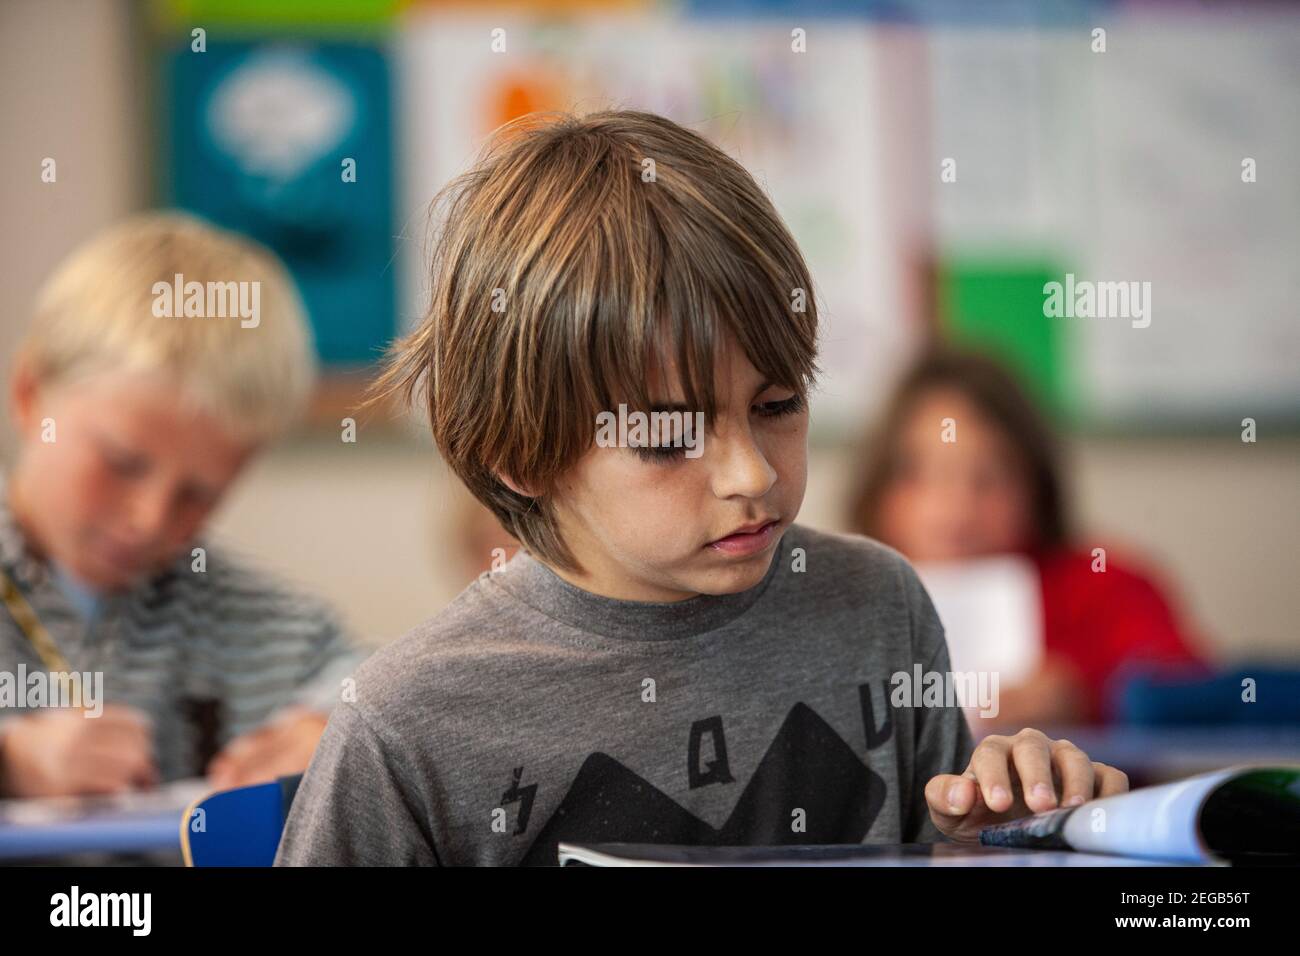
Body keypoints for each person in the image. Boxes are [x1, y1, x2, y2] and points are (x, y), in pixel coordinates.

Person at [275, 110, 1127, 866]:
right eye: (670, 436)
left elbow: (943, 847)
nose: (752, 473)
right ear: (523, 454)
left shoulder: (879, 607)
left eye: (778, 404)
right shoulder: (409, 721)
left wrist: (1006, 835)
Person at [0, 212, 362, 797]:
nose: (149, 520)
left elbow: (395, 692)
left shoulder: (261, 626)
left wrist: (336, 734)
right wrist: (9, 764)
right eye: (121, 462)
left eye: (200, 495)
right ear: (28, 393)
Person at [849, 348, 1205, 729]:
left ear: (1035, 487)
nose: (956, 508)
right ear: (877, 490)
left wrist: (1086, 695)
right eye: (920, 474)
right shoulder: (848, 596)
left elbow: (1196, 693)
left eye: (988, 477)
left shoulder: (1105, 586)